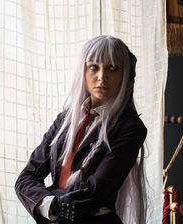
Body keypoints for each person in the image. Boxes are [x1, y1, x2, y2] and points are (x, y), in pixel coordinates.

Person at [15, 35, 147, 224]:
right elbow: (25, 178)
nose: (102, 76)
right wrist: (54, 206)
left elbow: (94, 192)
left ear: (124, 75)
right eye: (94, 67)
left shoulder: (130, 128)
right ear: (83, 72)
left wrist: (49, 204)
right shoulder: (64, 120)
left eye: (113, 68)